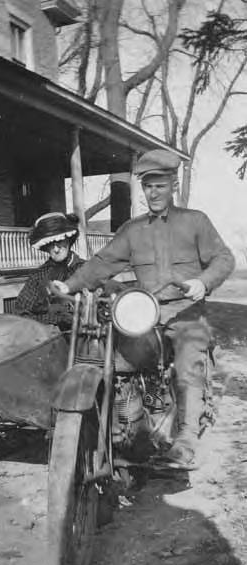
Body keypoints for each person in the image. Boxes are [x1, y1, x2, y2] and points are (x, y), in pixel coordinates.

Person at [51, 149, 235, 469]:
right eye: (148, 186)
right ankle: (126, 427)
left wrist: (202, 283)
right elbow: (102, 262)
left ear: (172, 186)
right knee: (118, 362)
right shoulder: (133, 230)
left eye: (160, 185)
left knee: (189, 363)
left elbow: (224, 259)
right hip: (144, 315)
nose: (153, 192)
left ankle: (186, 439)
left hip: (186, 314)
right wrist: (70, 286)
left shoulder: (195, 222)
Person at [15, 212, 84, 330]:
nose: (56, 249)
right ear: (45, 247)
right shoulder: (38, 276)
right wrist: (56, 320)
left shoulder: (86, 270)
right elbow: (22, 314)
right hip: (48, 339)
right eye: (51, 244)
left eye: (60, 242)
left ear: (68, 241)